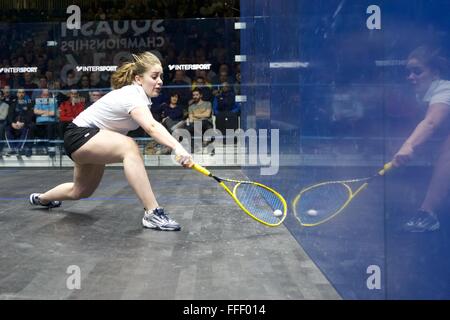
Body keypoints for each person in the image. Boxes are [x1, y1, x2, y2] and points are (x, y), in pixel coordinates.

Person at [29, 52, 192, 231]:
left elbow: (152, 125)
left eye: (161, 76)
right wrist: (177, 147)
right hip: (79, 135)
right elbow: (151, 127)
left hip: (93, 138)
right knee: (129, 147)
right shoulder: (132, 94)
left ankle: (42, 198)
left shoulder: (140, 98)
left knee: (80, 191)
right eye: (154, 76)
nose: (160, 81)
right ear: (138, 79)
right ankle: (152, 212)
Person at [392, 46, 450, 232]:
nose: (411, 77)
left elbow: (431, 122)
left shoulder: (444, 89)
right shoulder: (421, 94)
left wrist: (409, 145)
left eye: (417, 71)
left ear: (435, 73)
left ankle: (427, 214)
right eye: (409, 72)